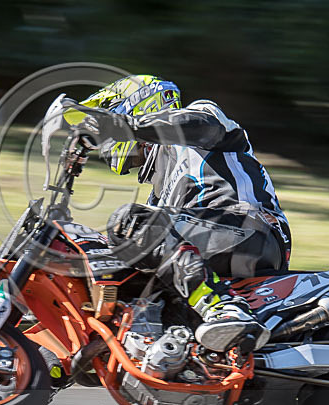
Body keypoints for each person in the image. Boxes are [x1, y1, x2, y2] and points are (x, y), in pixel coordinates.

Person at [65, 75, 292, 353]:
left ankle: (223, 308)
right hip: (213, 250)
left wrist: (126, 127)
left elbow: (199, 126)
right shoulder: (160, 194)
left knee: (130, 221)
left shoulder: (203, 119)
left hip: (252, 232)